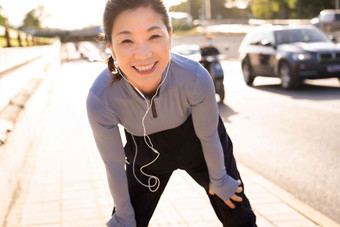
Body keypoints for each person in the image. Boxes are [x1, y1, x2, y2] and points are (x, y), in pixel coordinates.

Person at [86, 0, 256, 226]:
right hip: (146, 157)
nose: (143, 54)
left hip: (201, 147)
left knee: (238, 213)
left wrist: (219, 179)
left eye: (154, 36)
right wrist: (125, 215)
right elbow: (114, 165)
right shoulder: (101, 99)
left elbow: (209, 136)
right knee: (125, 221)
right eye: (127, 40)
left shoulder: (195, 77)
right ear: (110, 46)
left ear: (170, 34)